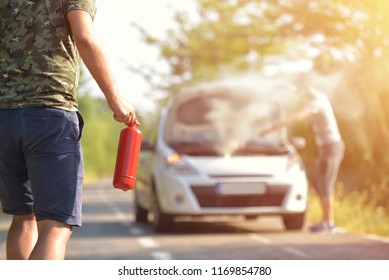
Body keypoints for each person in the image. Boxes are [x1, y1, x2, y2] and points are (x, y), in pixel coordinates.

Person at [0, 0, 136, 259]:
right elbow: (84, 37)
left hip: (4, 117)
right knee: (55, 225)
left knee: (23, 217)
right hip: (50, 115)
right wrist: (114, 97)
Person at [260, 85, 344, 233]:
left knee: (325, 182)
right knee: (320, 182)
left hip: (331, 146)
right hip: (326, 147)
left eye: (302, 90)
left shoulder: (317, 101)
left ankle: (329, 223)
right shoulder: (317, 99)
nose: (301, 94)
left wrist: (272, 128)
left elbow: (299, 117)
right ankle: (327, 221)